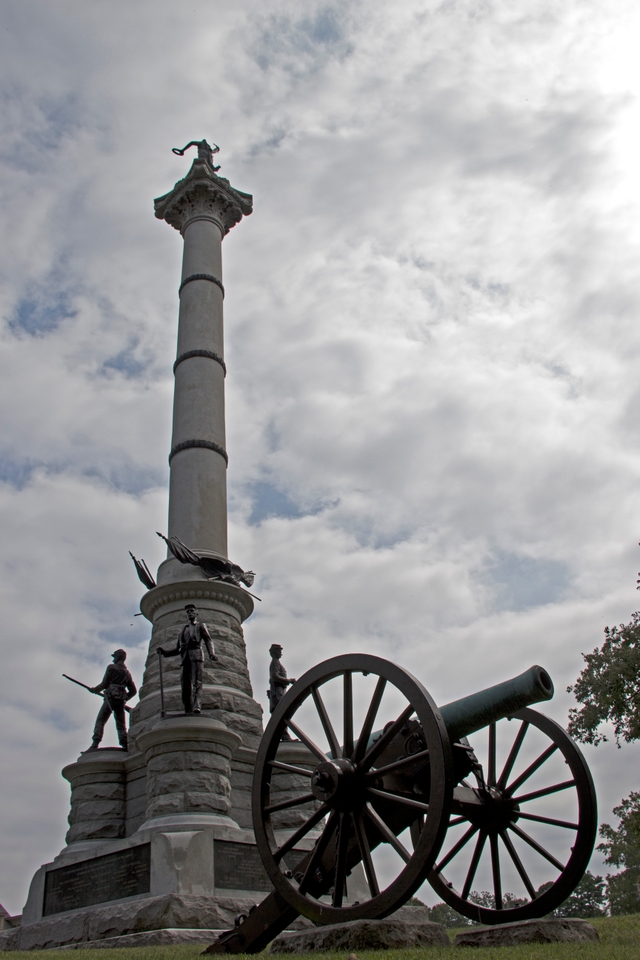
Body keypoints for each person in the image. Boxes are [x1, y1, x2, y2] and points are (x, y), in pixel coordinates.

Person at [158, 604, 217, 714]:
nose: (189, 613)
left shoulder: (200, 626)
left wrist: (211, 653)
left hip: (196, 655)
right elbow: (178, 649)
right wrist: (164, 652)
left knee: (196, 682)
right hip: (185, 658)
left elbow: (208, 640)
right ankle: (188, 708)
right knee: (185, 685)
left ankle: (197, 707)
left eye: (191, 611)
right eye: (187, 612)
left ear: (196, 613)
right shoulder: (182, 630)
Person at [86, 649, 137, 751]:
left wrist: (94, 690)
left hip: (110, 698)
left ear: (117, 657)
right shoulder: (127, 673)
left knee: (101, 720)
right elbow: (133, 691)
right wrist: (124, 698)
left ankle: (95, 744)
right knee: (121, 724)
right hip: (120, 700)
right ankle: (124, 744)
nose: (113, 659)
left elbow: (104, 684)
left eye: (114, 657)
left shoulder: (111, 668)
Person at [268, 644, 296, 740]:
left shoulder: (276, 663)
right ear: (274, 652)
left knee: (281, 714)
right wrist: (289, 681)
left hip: (280, 691)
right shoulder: (275, 663)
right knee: (281, 714)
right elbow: (274, 677)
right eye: (279, 651)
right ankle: (285, 737)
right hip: (277, 692)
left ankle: (284, 736)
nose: (281, 653)